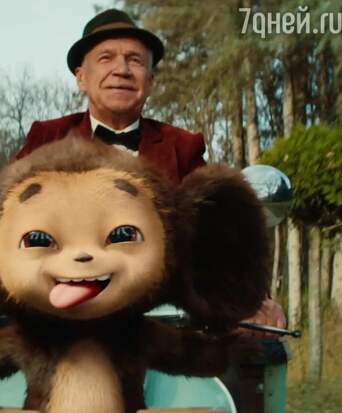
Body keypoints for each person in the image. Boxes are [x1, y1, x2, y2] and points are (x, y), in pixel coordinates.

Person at [15, 8, 286, 334]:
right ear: (81, 77)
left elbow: (219, 234)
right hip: (62, 322)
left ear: (151, 81)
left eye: (135, 60)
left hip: (156, 329)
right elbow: (1, 222)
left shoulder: (181, 146)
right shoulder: (47, 138)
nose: (121, 70)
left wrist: (252, 298)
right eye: (106, 58)